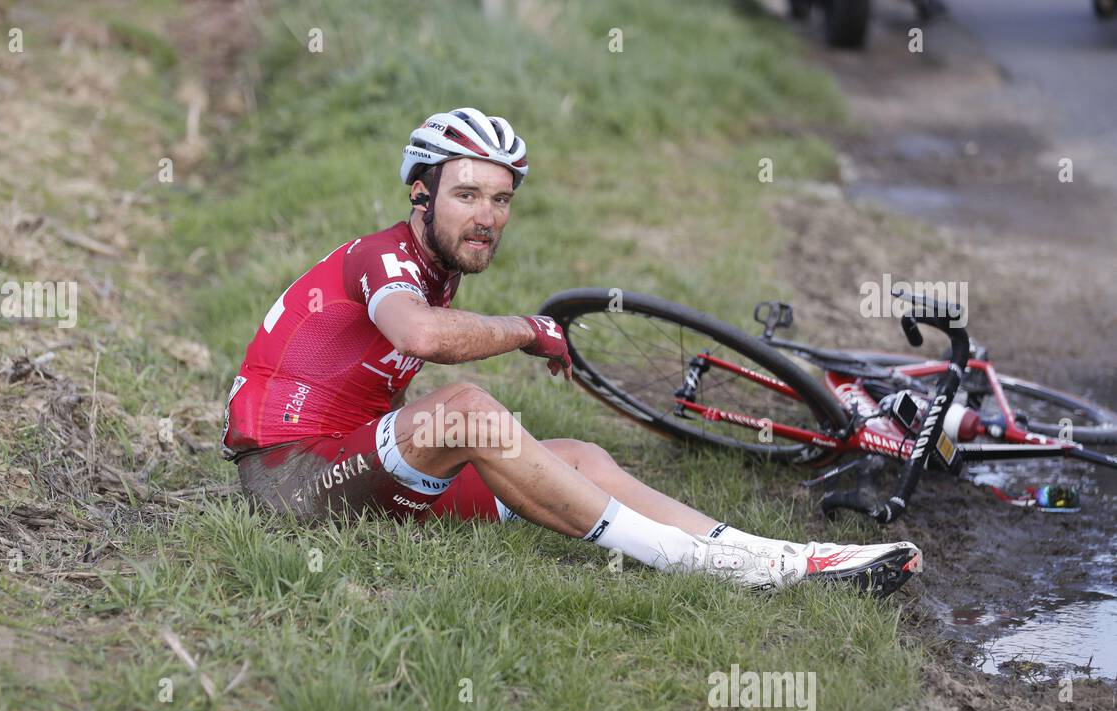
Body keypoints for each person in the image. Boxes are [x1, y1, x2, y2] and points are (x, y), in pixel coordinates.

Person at [221, 107, 921, 594]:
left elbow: (380, 385)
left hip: (355, 469)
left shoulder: (435, 272)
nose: (487, 217)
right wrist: (528, 329)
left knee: (579, 459)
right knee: (465, 410)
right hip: (288, 482)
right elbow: (421, 339)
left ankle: (775, 556)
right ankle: (692, 563)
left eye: (500, 199)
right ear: (419, 193)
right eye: (465, 194)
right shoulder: (384, 260)